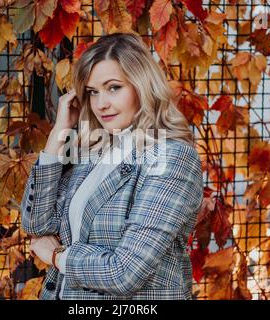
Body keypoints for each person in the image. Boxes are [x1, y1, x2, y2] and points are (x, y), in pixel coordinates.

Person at [21, 32, 204, 300]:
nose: (101, 104)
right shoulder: (96, 151)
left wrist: (59, 257)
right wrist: (58, 132)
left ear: (142, 86)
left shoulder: (171, 158)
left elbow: (125, 272)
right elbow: (37, 224)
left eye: (114, 87)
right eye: (93, 92)